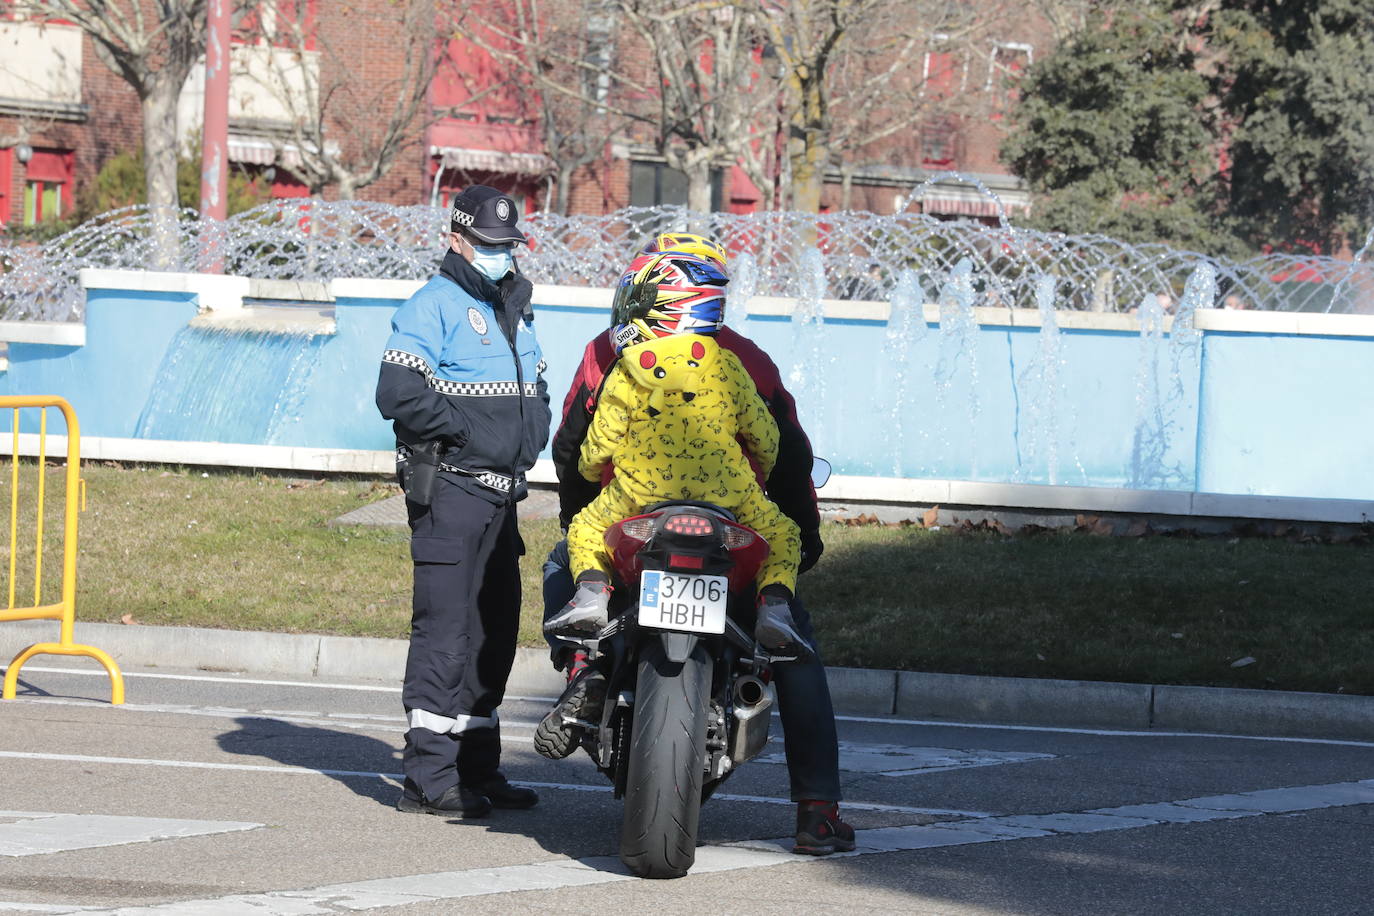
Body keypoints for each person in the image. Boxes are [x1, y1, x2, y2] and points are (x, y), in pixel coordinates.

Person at [537, 235, 856, 856]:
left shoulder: (609, 352)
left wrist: (583, 524)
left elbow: (574, 449)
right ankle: (817, 811)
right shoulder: (743, 360)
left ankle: (585, 668)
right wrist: (801, 540)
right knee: (797, 653)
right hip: (735, 528)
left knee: (562, 568)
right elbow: (787, 457)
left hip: (630, 526)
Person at [375, 185, 551, 819]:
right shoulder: (433, 306)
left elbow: (537, 389)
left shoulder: (516, 310)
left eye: (508, 246)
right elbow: (398, 393)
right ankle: (427, 776)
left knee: (493, 634)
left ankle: (477, 768)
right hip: (451, 491)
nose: (501, 255)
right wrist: (467, 433)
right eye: (488, 245)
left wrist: (531, 436)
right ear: (456, 240)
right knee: (444, 635)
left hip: (502, 499)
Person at [547, 251, 805, 642]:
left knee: (584, 529)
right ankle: (774, 607)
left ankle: (592, 595)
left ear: (667, 310)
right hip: (730, 496)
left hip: (638, 495)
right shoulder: (730, 365)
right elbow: (766, 439)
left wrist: (587, 472)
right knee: (784, 535)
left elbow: (599, 443)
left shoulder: (626, 368)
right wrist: (761, 477)